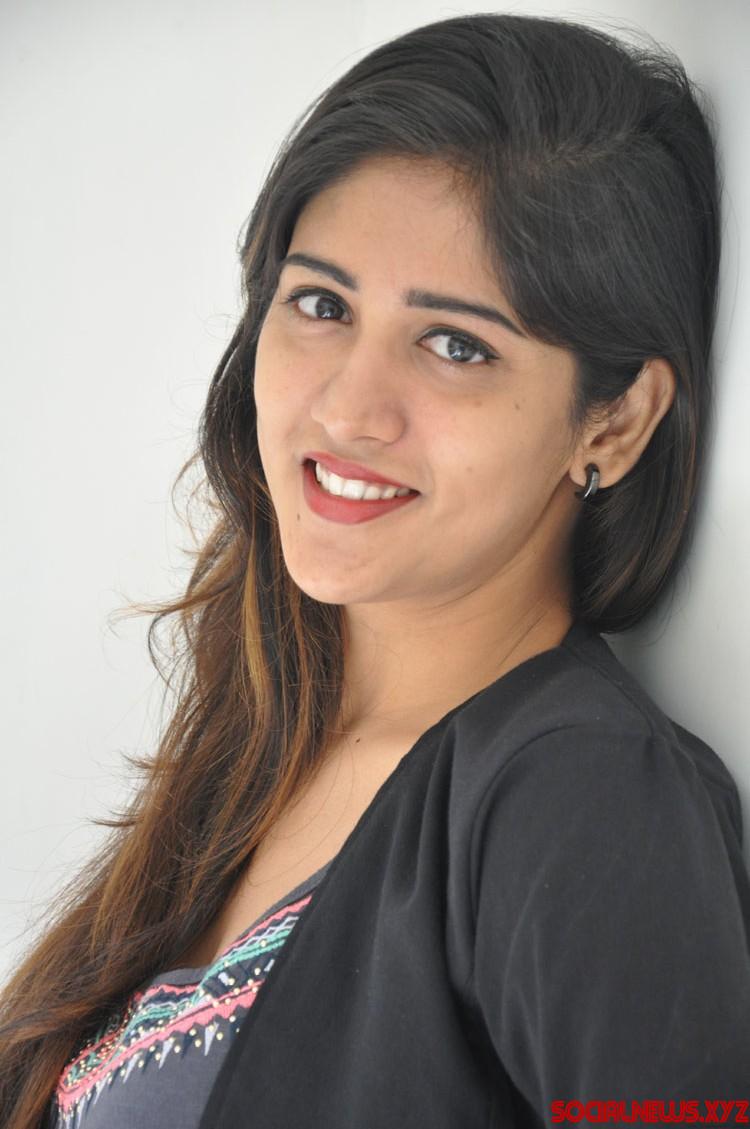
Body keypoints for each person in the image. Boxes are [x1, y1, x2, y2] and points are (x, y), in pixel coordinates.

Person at [2, 11, 749, 1129]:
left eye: (456, 345)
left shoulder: (586, 796)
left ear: (616, 420)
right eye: (322, 305)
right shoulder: (264, 738)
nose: (350, 409)